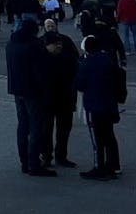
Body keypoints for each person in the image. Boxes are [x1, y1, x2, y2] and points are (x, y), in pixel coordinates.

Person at [6, 18, 56, 176]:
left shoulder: (11, 44)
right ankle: (34, 163)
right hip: (33, 91)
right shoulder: (34, 46)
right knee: (36, 127)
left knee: (23, 125)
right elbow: (41, 71)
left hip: (16, 89)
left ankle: (25, 162)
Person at [74, 35, 126, 180]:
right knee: (109, 136)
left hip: (94, 104)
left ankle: (99, 167)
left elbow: (80, 85)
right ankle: (113, 165)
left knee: (97, 139)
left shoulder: (85, 63)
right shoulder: (108, 60)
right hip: (109, 103)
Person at [41, 18, 79, 168]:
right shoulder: (41, 46)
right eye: (47, 25)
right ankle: (47, 155)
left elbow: (76, 64)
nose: (50, 27)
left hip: (65, 96)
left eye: (52, 25)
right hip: (49, 97)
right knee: (47, 129)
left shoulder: (66, 43)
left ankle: (61, 155)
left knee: (63, 129)